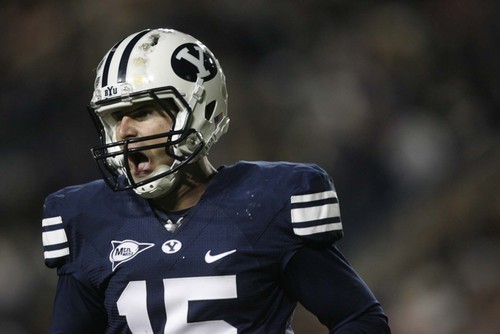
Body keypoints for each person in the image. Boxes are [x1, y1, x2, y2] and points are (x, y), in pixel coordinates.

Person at [41, 28, 391, 333]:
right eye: (114, 117)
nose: (124, 132)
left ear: (199, 110)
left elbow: (359, 319)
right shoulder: (88, 219)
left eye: (142, 112)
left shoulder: (266, 204)